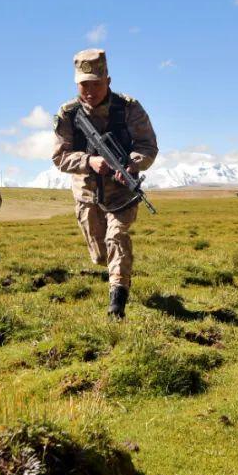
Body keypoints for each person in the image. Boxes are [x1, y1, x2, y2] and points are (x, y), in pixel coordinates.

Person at [52, 49, 158, 318]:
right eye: (83, 84)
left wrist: (132, 164)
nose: (89, 90)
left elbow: (148, 146)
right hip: (87, 195)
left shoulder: (129, 108)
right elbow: (60, 157)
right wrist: (89, 161)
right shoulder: (68, 114)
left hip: (122, 194)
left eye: (96, 83)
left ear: (108, 81)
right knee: (100, 256)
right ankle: (114, 274)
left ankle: (117, 304)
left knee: (117, 237)